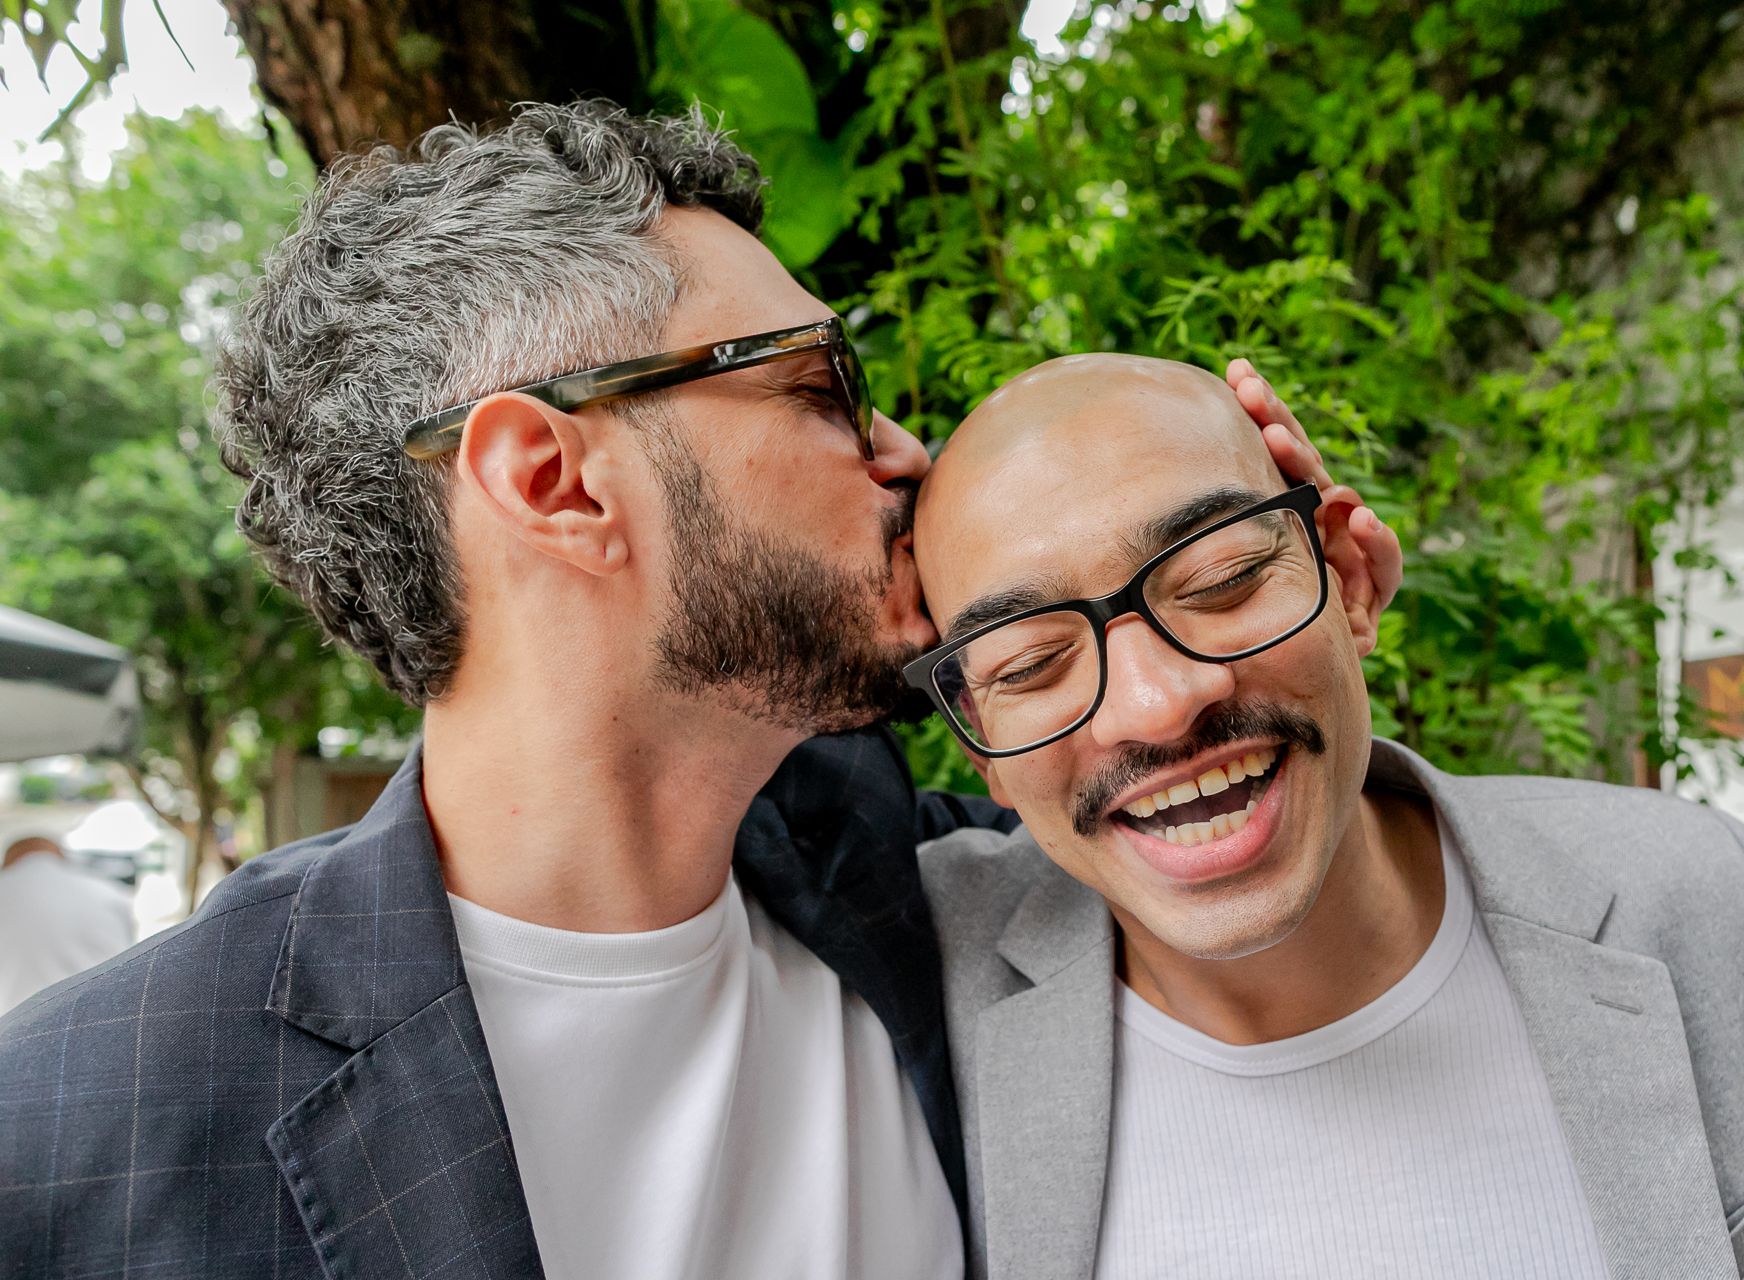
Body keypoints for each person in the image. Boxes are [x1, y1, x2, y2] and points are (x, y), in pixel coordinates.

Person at [0, 105, 1400, 1279]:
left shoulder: (936, 895)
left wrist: (1273, 599)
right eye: (822, 385)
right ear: (554, 481)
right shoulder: (81, 1131)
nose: (906, 452)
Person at [909, 354, 1744, 1280]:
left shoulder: (1687, 892)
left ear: (1347, 578)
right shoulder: (910, 980)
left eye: (1223, 579)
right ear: (979, 745)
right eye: (1029, 664)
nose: (1158, 703)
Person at [0, 833, 134, 1016]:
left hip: (9, 1023)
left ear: (7, 863)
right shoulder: (108, 891)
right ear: (63, 858)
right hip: (95, 1017)